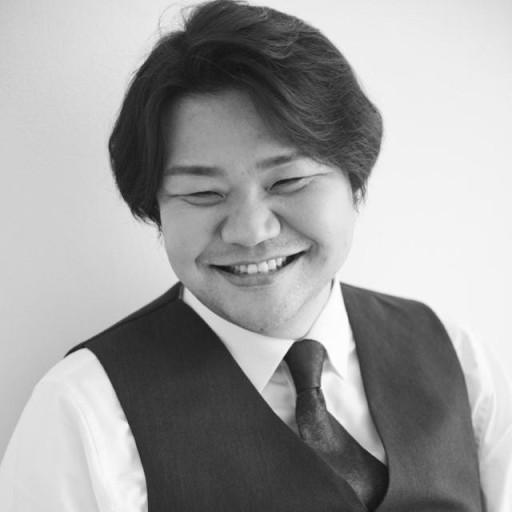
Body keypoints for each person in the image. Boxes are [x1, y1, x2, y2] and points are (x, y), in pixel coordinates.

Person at [0, 0, 511, 510]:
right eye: (202, 193)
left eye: (287, 181)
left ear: (353, 178)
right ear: (156, 207)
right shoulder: (86, 410)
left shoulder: (458, 359)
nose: (250, 231)